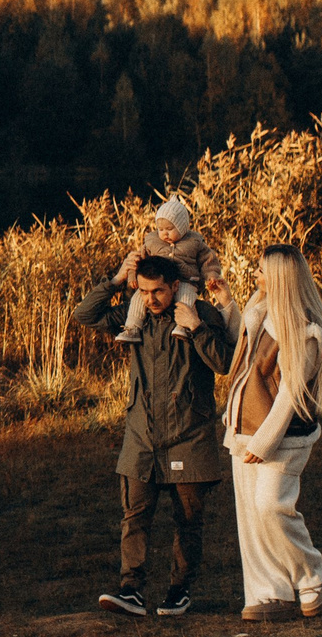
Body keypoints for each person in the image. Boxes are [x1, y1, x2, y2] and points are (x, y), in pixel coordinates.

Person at [72, 246, 237, 617]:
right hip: (142, 435)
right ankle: (130, 590)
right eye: (143, 291)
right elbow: (85, 314)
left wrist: (195, 329)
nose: (150, 299)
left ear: (174, 285)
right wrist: (116, 281)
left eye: (158, 291)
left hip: (189, 435)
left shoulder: (198, 313)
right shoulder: (135, 314)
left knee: (189, 520)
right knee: (134, 517)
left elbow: (225, 362)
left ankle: (180, 590)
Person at [221, 244, 322, 621]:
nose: (256, 275)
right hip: (244, 429)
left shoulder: (304, 332)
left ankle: (313, 574)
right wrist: (229, 307)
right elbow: (246, 353)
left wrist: (264, 441)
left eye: (261, 270)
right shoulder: (263, 312)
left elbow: (289, 394)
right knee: (251, 517)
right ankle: (270, 593)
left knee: (271, 507)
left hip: (281, 439)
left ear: (281, 278)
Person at [115, 197, 222, 342]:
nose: (165, 233)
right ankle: (132, 328)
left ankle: (183, 326)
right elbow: (138, 260)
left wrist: (211, 276)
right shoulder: (152, 241)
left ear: (182, 227)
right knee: (138, 300)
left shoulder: (194, 241)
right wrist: (132, 276)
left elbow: (208, 261)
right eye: (161, 229)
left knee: (185, 298)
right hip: (156, 281)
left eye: (170, 229)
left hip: (186, 279)